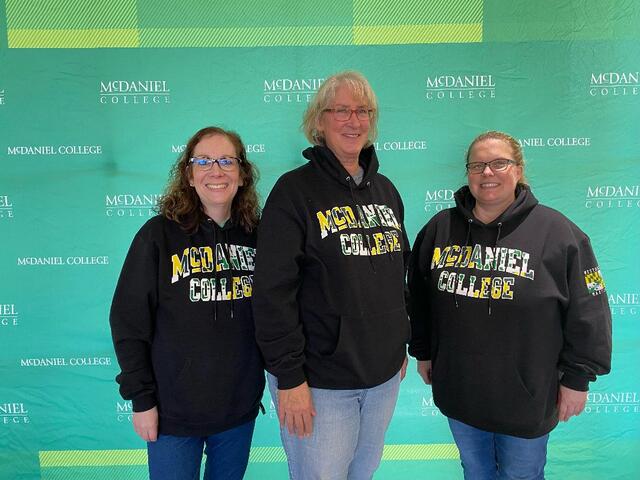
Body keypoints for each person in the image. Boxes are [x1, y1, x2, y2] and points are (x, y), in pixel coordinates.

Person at [408, 130, 612, 479]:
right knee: (475, 471)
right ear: (468, 173)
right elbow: (419, 298)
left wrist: (578, 377)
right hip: (461, 391)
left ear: (518, 170)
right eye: (478, 165)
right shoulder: (440, 229)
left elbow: (589, 309)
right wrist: (423, 351)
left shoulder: (559, 234)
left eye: (499, 163)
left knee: (522, 475)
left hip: (527, 397)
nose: (488, 173)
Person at [253, 71, 410, 479]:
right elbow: (272, 292)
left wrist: (399, 340)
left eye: (362, 111)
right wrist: (289, 378)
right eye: (341, 110)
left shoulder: (387, 191)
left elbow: (399, 274)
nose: (353, 121)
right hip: (320, 383)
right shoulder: (292, 192)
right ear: (319, 121)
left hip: (382, 380)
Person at [109, 126, 264, 480]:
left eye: (227, 160)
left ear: (241, 174)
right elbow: (128, 322)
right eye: (204, 161)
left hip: (237, 411)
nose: (216, 170)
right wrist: (142, 400)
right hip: (171, 413)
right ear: (189, 176)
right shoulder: (157, 236)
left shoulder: (260, 236)